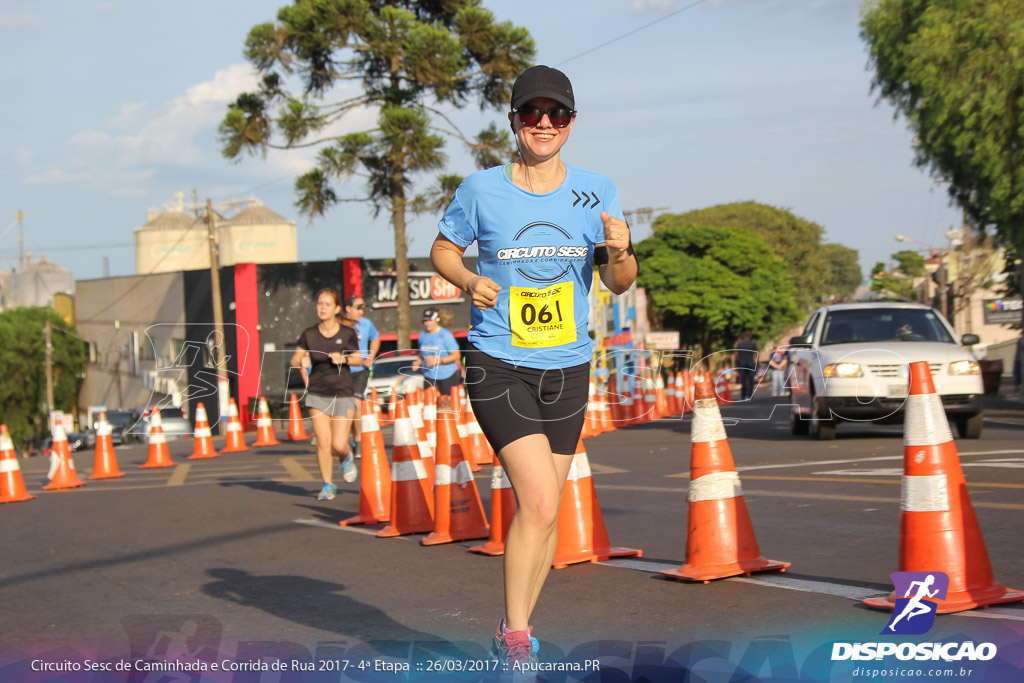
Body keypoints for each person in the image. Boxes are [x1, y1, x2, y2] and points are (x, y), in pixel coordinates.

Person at [429, 64, 638, 666]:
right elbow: (444, 248)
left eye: (557, 115)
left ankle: (510, 631)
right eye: (532, 113)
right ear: (515, 120)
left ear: (572, 122)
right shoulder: (481, 190)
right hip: (499, 362)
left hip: (569, 367)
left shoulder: (597, 190)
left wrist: (621, 250)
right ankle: (517, 640)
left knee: (544, 515)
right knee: (542, 502)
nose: (544, 125)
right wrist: (469, 279)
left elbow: (620, 283)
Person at [290, 288, 362, 501]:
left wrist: (345, 360)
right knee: (323, 441)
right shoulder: (309, 334)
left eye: (327, 304)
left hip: (343, 392)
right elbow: (295, 359)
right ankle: (328, 484)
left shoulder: (347, 334)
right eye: (319, 304)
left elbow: (359, 359)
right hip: (317, 392)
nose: (322, 308)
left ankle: (346, 456)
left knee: (338, 444)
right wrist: (299, 362)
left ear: (337, 308)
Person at [344, 295, 380, 458]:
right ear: (348, 308)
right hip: (343, 370)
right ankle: (349, 439)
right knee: (345, 408)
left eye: (363, 308)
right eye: (358, 308)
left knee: (356, 404)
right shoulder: (340, 325)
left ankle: (357, 441)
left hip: (360, 371)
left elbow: (376, 338)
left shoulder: (366, 324)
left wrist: (370, 356)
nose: (361, 311)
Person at [411, 307, 463, 398]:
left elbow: (456, 355)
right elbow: (422, 353)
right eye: (425, 321)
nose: (427, 323)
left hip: (447, 376)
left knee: (446, 404)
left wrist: (439, 361)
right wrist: (418, 362)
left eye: (430, 320)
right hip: (429, 375)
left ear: (437, 319)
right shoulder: (422, 335)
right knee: (431, 404)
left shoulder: (445, 335)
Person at [734, 330, 759, 401]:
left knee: (743, 381)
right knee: (751, 381)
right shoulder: (753, 344)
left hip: (742, 363)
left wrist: (738, 363)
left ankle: (743, 396)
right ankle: (749, 396)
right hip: (751, 363)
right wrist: (757, 363)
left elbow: (736, 355)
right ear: (750, 337)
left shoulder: (740, 344)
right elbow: (756, 354)